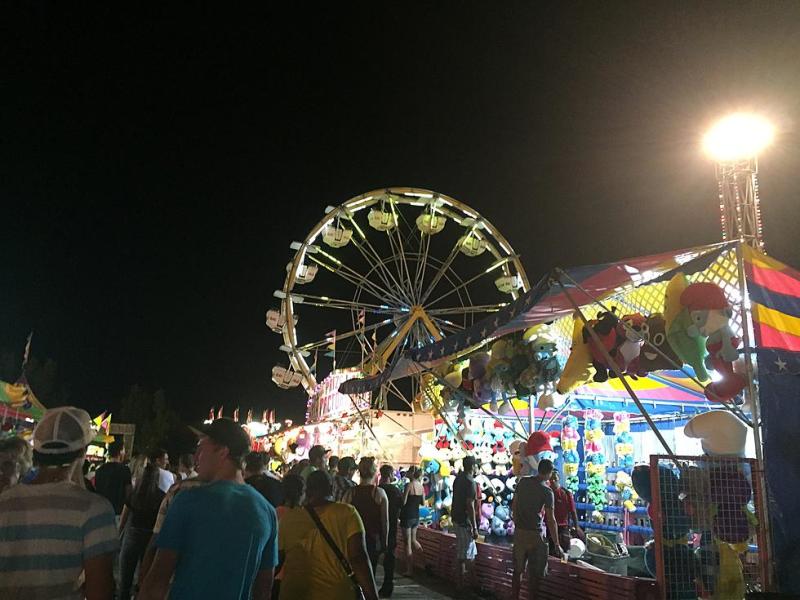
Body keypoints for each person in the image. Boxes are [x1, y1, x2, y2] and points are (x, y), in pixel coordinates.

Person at [139, 418, 277, 600]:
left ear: (222, 452)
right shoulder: (266, 511)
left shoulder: (188, 500)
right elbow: (264, 588)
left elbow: (159, 577)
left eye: (201, 448)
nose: (196, 457)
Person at [0, 407, 117, 600]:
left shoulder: (5, 502)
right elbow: (100, 592)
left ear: (36, 450)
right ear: (82, 452)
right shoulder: (95, 510)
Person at [278, 470, 379, 600]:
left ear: (307, 491)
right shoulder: (347, 513)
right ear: (331, 488)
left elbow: (278, 559)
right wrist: (372, 595)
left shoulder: (289, 518)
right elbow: (358, 557)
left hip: (296, 591)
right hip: (336, 592)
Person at [511, 459, 562, 600]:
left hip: (520, 532)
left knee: (518, 571)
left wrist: (517, 522)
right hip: (535, 534)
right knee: (535, 575)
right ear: (549, 473)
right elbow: (551, 520)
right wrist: (557, 544)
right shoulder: (547, 491)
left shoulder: (523, 482)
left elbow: (514, 505)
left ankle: (514, 597)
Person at [117, 462, 166, 600]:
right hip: (150, 538)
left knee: (125, 578)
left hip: (132, 535)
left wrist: (119, 535)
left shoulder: (134, 493)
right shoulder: (161, 496)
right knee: (144, 578)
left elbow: (124, 518)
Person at [342, 457, 389, 570]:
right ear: (374, 472)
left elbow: (342, 518)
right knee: (370, 570)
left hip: (353, 538)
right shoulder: (379, 493)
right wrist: (385, 542)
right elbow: (385, 521)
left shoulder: (350, 493)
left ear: (359, 472)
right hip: (373, 539)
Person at [451, 455, 479, 594]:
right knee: (464, 555)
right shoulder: (470, 482)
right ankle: (461, 585)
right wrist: (474, 527)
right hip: (464, 521)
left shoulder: (458, 479)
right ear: (473, 467)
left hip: (456, 518)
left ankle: (469, 583)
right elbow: (470, 505)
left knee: (466, 553)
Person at [378, 464, 403, 598]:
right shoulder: (395, 490)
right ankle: (388, 585)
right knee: (389, 557)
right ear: (390, 475)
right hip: (392, 526)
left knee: (373, 556)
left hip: (377, 526)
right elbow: (401, 507)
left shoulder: (377, 490)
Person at [546, 470, 583, 556]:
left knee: (563, 554)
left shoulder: (565, 494)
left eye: (554, 478)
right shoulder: (547, 493)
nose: (553, 480)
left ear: (558, 478)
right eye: (551, 478)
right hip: (550, 528)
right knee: (551, 554)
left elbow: (573, 511)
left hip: (562, 529)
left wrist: (576, 527)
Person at [94, 439, 132, 518]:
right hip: (117, 513)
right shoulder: (125, 470)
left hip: (101, 512)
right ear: (120, 451)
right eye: (124, 450)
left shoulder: (99, 470)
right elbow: (128, 493)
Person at [399, 465, 424, 578]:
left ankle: (409, 570)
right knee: (414, 540)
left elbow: (403, 502)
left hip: (407, 515)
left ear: (412, 474)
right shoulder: (421, 487)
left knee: (407, 542)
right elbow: (423, 502)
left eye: (408, 471)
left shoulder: (408, 485)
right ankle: (425, 562)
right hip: (416, 515)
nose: (407, 473)